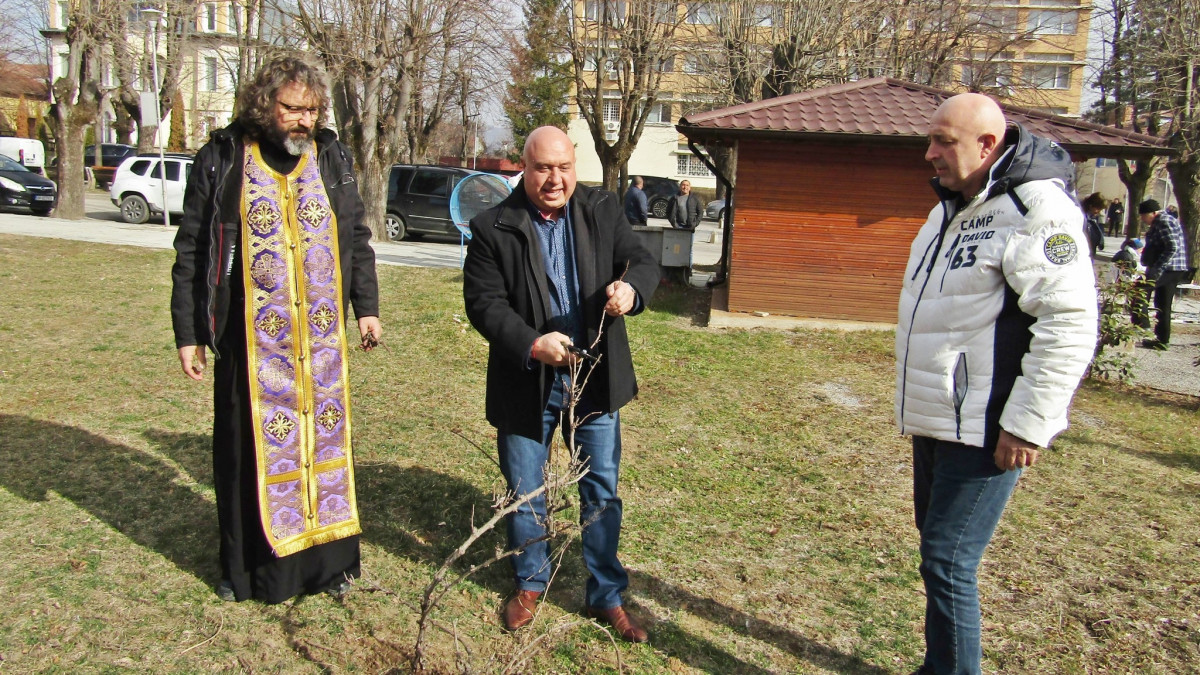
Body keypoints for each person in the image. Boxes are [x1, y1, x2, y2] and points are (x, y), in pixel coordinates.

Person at [895, 93, 1097, 675]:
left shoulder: (1036, 210)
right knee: (937, 553)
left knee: (948, 558)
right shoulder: (947, 210)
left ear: (988, 144)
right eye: (929, 140)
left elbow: (1070, 321)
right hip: (939, 417)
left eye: (943, 142)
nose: (929, 154)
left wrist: (1027, 425)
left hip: (988, 426)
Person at [171, 54, 381, 604]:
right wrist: (188, 332)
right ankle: (247, 573)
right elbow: (193, 249)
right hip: (251, 344)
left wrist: (367, 306)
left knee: (324, 443)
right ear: (265, 105)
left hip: (321, 348)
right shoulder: (223, 157)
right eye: (291, 107)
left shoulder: (329, 156)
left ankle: (328, 567)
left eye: (311, 109)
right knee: (246, 455)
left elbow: (354, 235)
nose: (302, 120)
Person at [462, 126, 659, 642]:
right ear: (523, 169)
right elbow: (485, 304)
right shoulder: (493, 226)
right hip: (527, 378)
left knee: (601, 489)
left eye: (563, 167)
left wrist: (631, 289)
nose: (555, 179)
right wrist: (532, 344)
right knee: (526, 491)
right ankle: (530, 582)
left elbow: (642, 259)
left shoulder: (602, 209)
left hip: (594, 376)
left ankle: (607, 594)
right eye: (543, 168)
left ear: (576, 166)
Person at [1138, 199, 1190, 349]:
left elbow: (1172, 247)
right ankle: (1162, 340)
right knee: (1162, 305)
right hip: (1170, 268)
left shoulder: (1164, 221)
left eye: (1144, 216)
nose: (1142, 219)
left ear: (1153, 213)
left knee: (1139, 291)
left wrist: (1157, 269)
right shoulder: (1159, 222)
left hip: (1170, 269)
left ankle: (1143, 326)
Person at [1081, 192, 1106, 259]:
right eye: (1098, 208)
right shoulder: (1081, 216)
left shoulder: (1090, 217)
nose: (1098, 212)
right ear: (1091, 206)